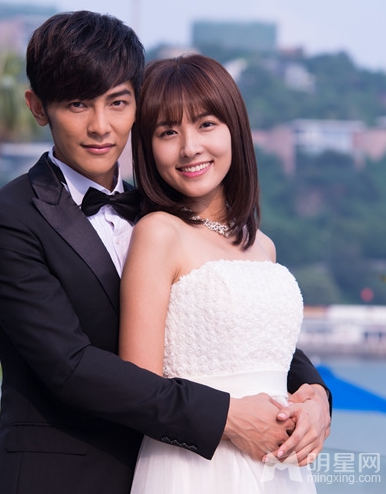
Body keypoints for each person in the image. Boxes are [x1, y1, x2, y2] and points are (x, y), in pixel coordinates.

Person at [0, 11, 330, 494]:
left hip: (180, 470)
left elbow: (240, 324)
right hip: (63, 479)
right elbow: (69, 365)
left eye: (117, 102)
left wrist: (315, 394)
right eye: (77, 104)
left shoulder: (166, 213)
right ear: (38, 106)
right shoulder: (5, 221)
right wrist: (226, 417)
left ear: (137, 104)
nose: (100, 126)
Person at [119, 54, 328, 493]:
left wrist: (315, 403)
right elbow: (137, 387)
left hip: (279, 468)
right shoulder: (158, 233)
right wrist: (231, 421)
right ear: (147, 147)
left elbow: (276, 359)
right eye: (168, 132)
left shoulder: (263, 244)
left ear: (235, 129)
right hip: (195, 465)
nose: (189, 147)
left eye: (206, 124)